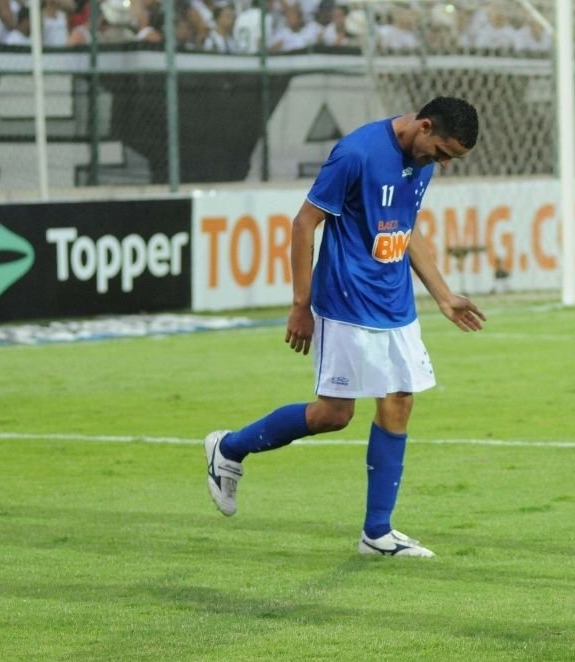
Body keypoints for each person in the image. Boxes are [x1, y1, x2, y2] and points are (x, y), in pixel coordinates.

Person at [204, 97, 485, 559]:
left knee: (399, 401)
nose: (442, 163)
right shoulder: (356, 153)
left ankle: (377, 532)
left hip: (395, 304)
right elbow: (303, 224)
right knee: (335, 415)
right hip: (347, 302)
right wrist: (301, 304)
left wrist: (444, 295)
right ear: (424, 125)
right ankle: (229, 448)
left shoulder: (424, 162)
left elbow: (406, 230)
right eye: (442, 153)